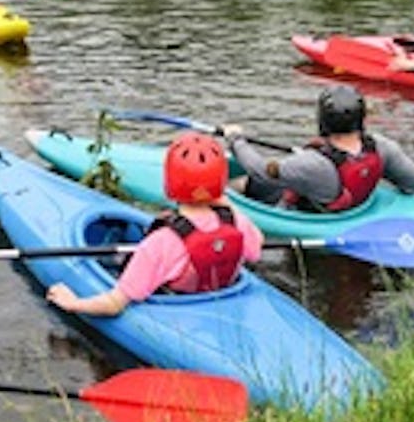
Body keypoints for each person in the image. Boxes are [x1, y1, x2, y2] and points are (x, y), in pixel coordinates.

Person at [46, 132, 265, 316]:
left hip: (178, 311)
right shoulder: (235, 222)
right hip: (222, 297)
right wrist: (224, 203)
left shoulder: (161, 242)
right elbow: (256, 248)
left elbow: (114, 304)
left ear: (169, 183)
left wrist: (72, 303)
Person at [223, 86, 414, 212]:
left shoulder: (313, 164)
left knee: (244, 183)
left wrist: (235, 139)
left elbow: (260, 170)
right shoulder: (383, 148)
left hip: (313, 213)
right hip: (352, 207)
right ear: (361, 119)